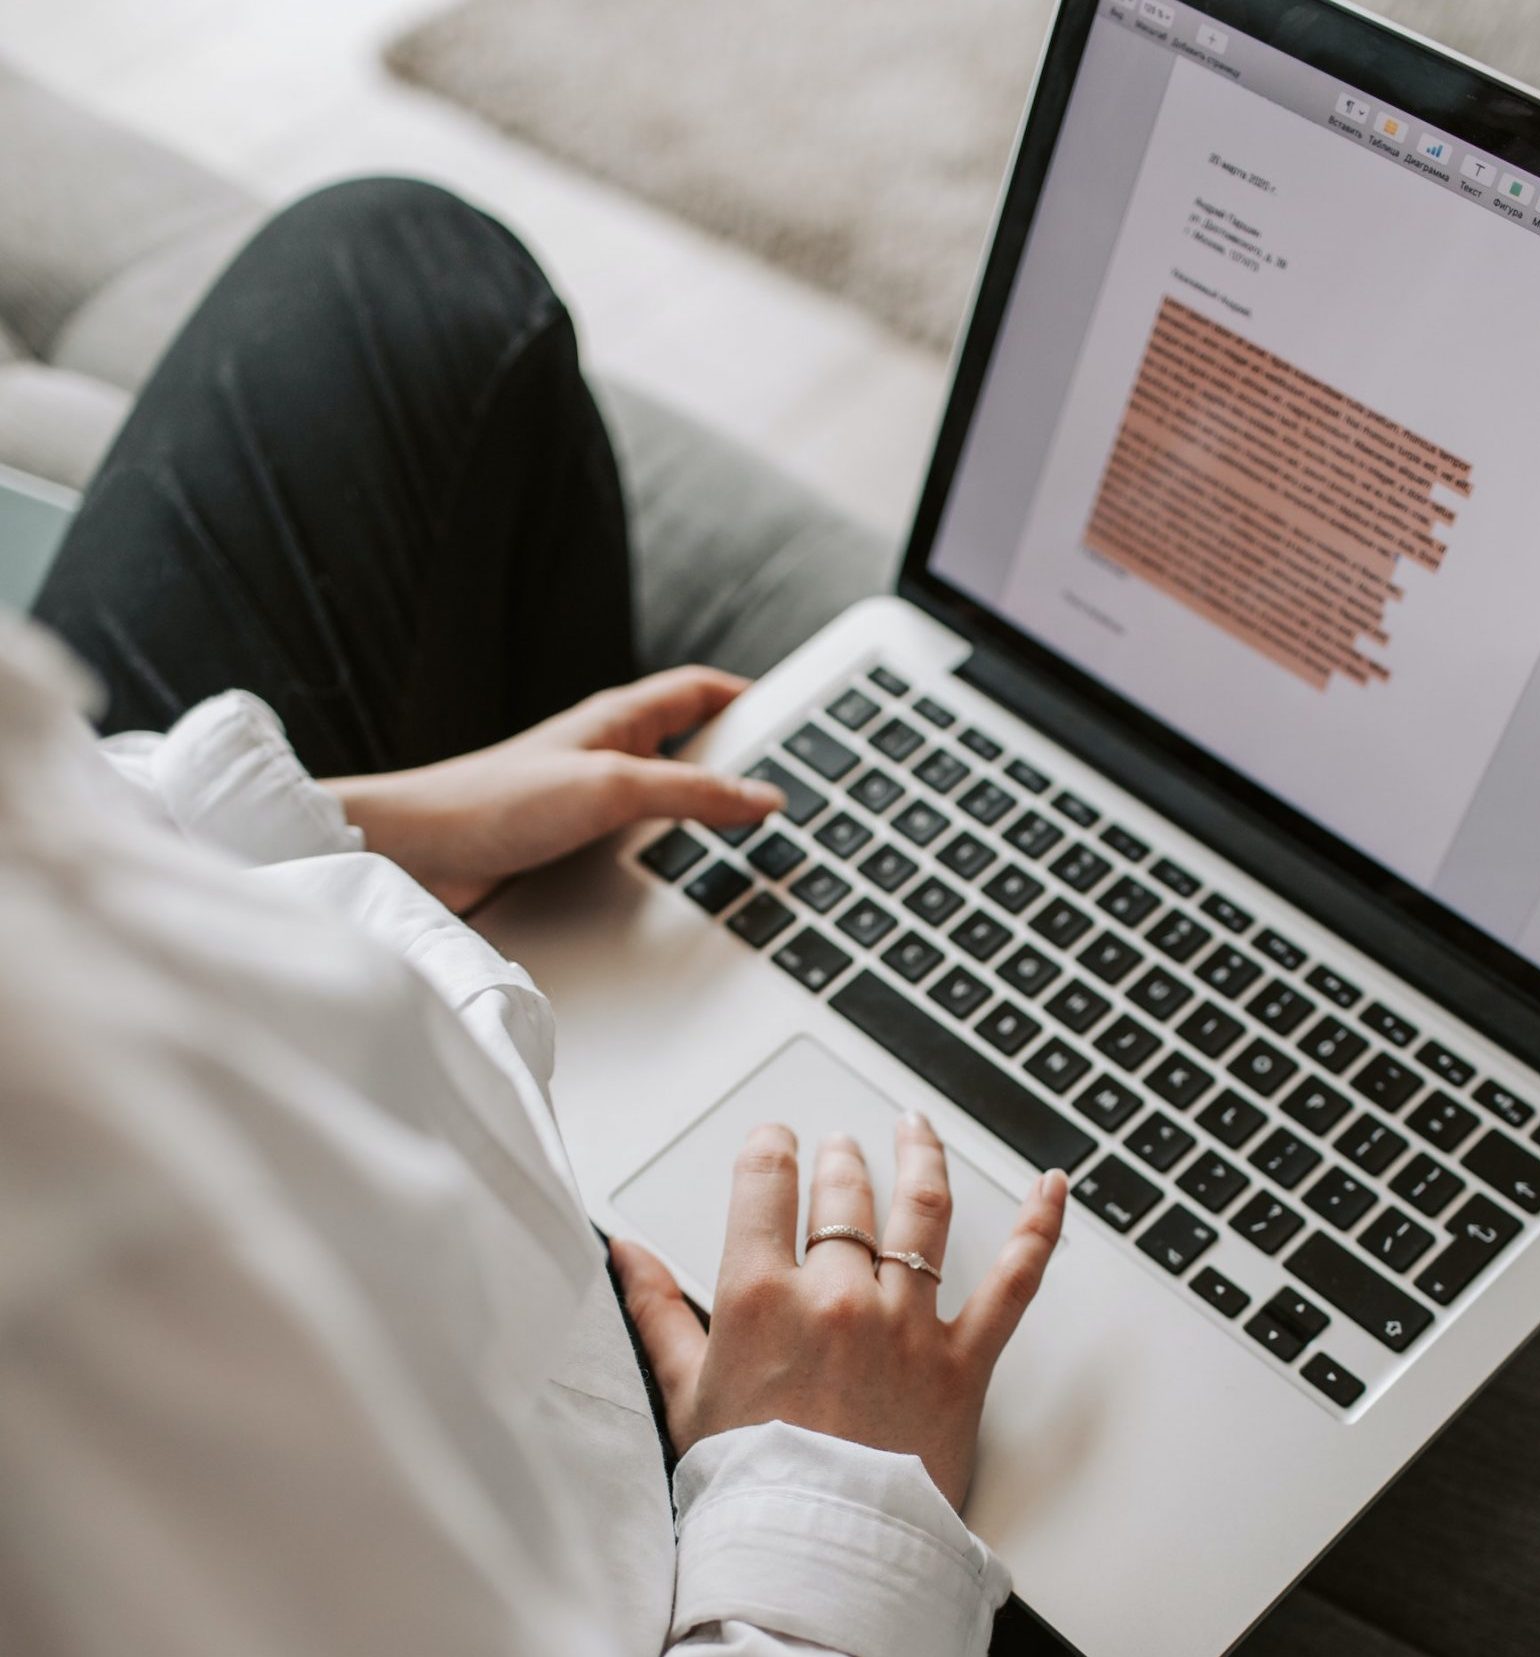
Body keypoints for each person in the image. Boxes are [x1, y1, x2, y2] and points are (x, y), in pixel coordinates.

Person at [1, 178, 1069, 1656]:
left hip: (256, 1007)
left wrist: (359, 828)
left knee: (395, 266)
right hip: (567, 1519)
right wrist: (829, 1495)